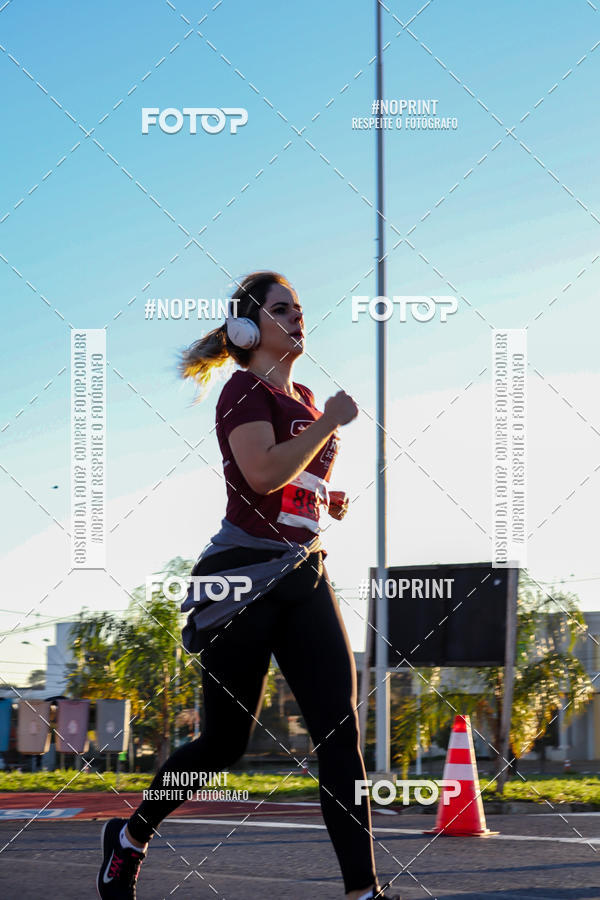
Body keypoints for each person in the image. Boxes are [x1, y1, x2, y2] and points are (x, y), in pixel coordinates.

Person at [96, 271, 402, 900]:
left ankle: (363, 892)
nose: (297, 318)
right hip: (240, 579)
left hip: (303, 570)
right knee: (223, 744)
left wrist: (322, 495)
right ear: (246, 328)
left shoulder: (306, 396)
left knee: (339, 734)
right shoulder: (242, 391)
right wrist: (329, 424)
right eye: (281, 309)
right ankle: (130, 836)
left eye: (299, 308)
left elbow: (288, 480)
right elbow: (260, 474)